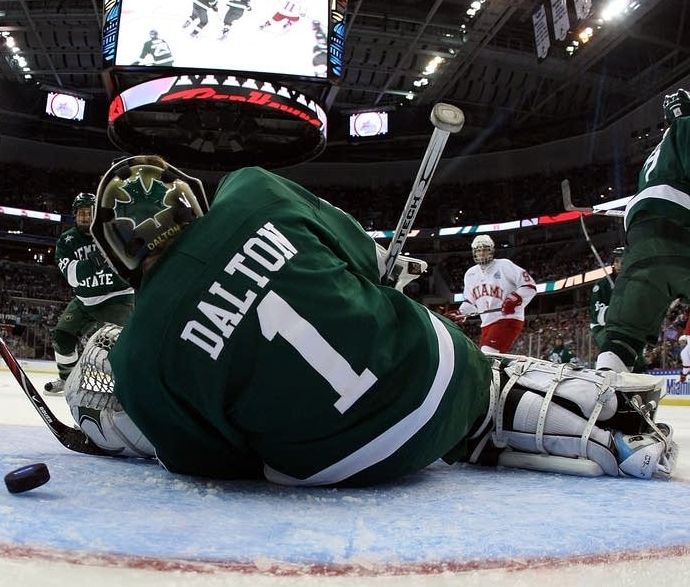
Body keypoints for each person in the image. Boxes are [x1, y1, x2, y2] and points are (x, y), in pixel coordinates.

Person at [63, 155, 677, 486]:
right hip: (435, 379)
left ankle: (489, 418)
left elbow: (220, 465)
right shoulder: (251, 190)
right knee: (472, 376)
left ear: (121, 257)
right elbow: (362, 254)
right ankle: (579, 412)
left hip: (328, 469)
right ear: (187, 193)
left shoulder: (136, 357)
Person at [596, 88, 690, 373]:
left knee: (622, 335)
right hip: (680, 231)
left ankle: (602, 401)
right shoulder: (685, 128)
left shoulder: (657, 152)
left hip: (641, 241)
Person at [43, 192, 135, 396]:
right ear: (74, 215)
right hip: (85, 300)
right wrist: (94, 262)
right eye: (81, 213)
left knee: (119, 345)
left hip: (117, 297)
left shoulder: (112, 232)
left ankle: (126, 387)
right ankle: (67, 380)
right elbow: (73, 277)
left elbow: (133, 259)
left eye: (90, 212)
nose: (85, 217)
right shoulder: (67, 241)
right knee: (62, 338)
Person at [454, 235, 536, 353]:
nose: (482, 253)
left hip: (508, 319)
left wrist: (514, 299)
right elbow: (470, 302)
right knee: (486, 361)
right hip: (486, 323)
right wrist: (460, 313)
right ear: (474, 252)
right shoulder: (470, 274)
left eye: (485, 249)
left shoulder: (504, 265)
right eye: (478, 250)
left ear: (491, 251)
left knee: (488, 355)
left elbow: (530, 286)